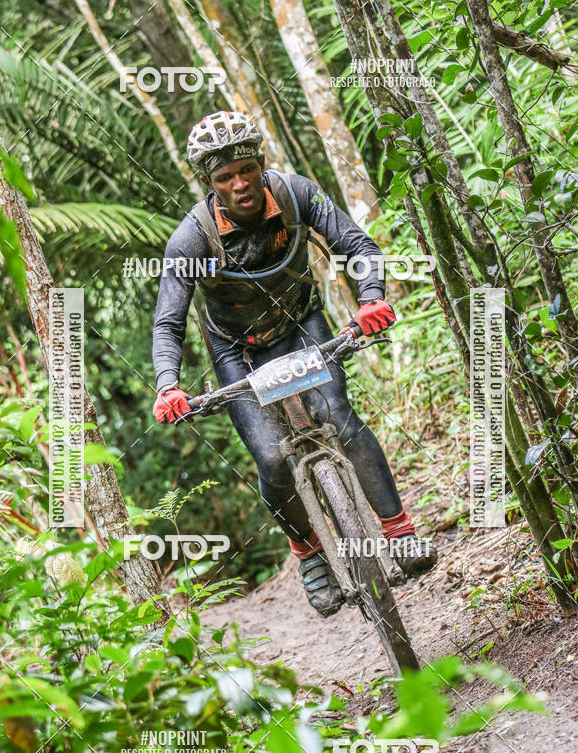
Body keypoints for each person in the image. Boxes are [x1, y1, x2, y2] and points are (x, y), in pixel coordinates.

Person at [152, 110, 436, 618]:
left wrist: (370, 298)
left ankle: (399, 530)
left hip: (303, 324)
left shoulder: (295, 193)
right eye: (224, 178)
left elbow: (356, 245)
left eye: (246, 170)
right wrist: (168, 385)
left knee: (338, 419)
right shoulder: (190, 240)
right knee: (270, 456)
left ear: (261, 162)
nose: (239, 184)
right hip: (235, 351)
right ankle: (308, 551)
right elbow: (168, 322)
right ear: (209, 183)